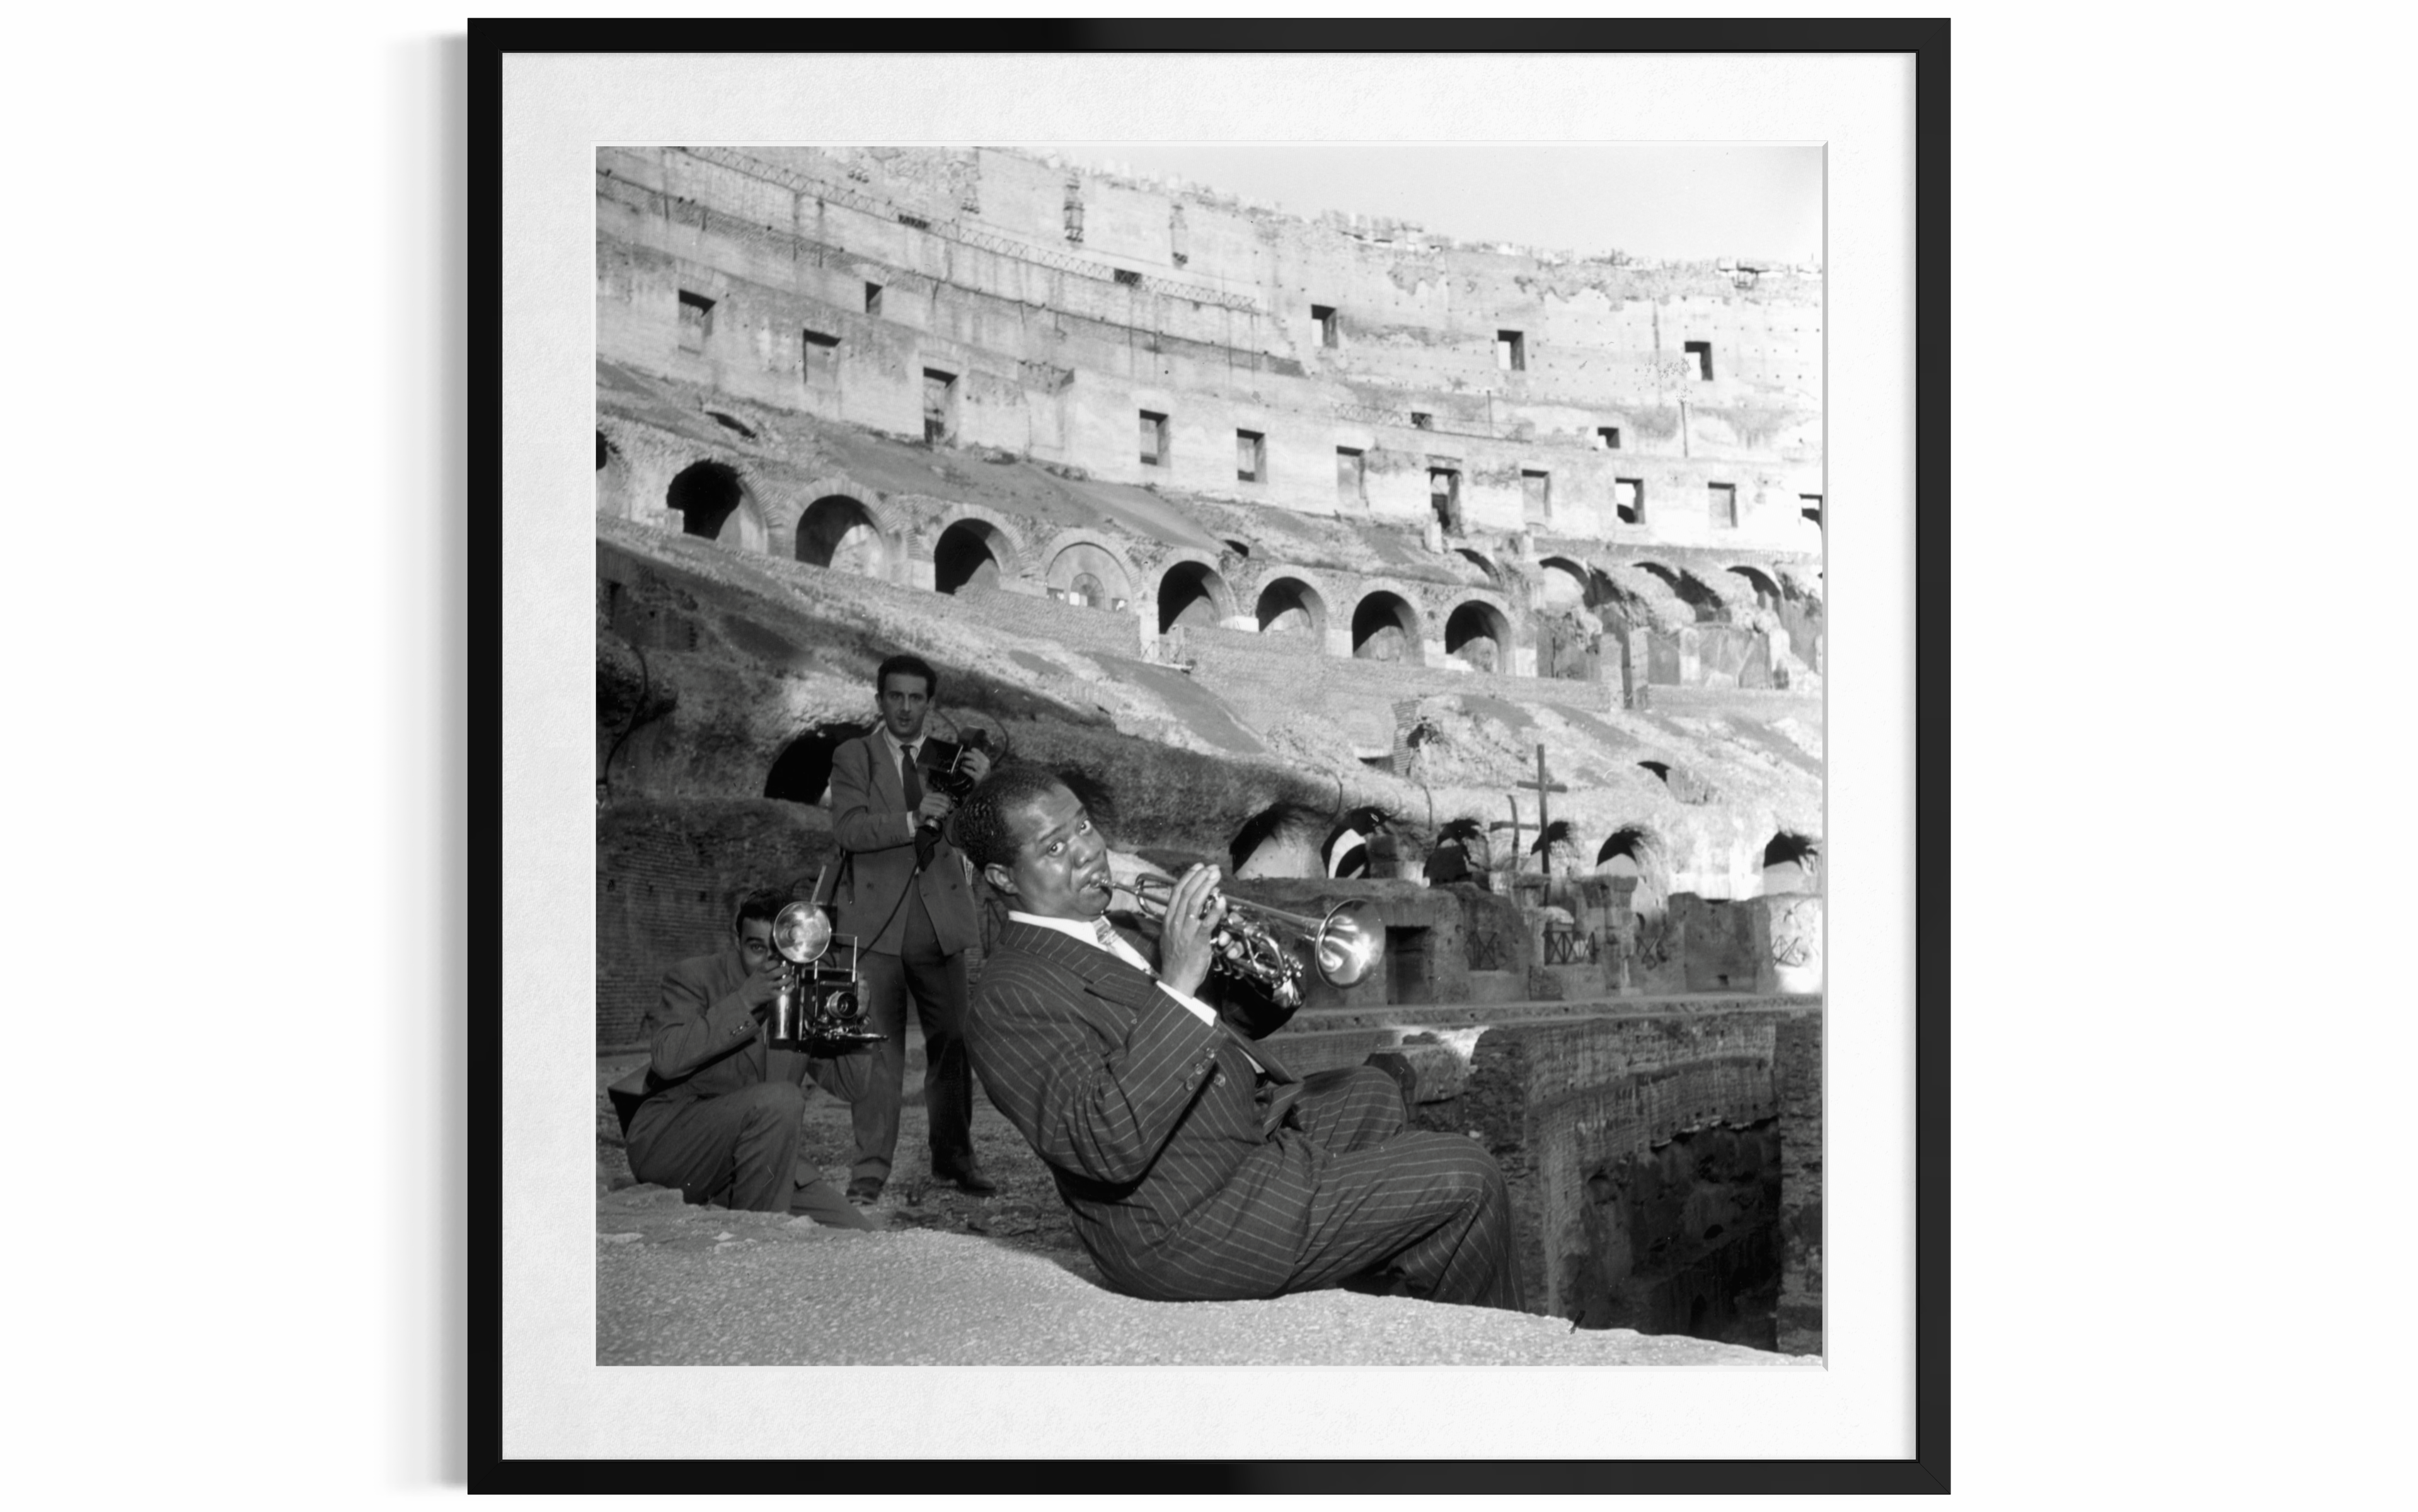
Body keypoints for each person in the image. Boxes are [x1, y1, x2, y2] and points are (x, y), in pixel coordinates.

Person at [955, 767, 1525, 1311]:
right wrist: (1178, 979)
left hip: (1229, 1134)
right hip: (1183, 1218)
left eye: (1082, 825)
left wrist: (1255, 972)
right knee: (1468, 1177)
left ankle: (1377, 1296)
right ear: (1004, 878)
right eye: (1053, 849)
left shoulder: (1111, 931)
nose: (1085, 851)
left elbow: (1216, 1034)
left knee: (1371, 1092)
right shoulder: (1009, 996)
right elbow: (1103, 1143)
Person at [605, 888, 880, 1229]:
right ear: (736, 941)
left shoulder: (802, 992)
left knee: (862, 1234)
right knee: (781, 1099)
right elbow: (667, 1058)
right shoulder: (694, 977)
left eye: (781, 950)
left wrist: (854, 1019)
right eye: (756, 948)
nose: (769, 961)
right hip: (675, 1148)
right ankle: (754, 1244)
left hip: (757, 1162)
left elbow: (851, 1087)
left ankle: (752, 1222)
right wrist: (744, 1002)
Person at [827, 653, 994, 1205]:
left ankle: (955, 1160)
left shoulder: (951, 760)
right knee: (877, 1053)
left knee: (951, 1045)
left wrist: (984, 790)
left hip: (941, 924)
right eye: (894, 697)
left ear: (929, 704)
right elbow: (849, 829)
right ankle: (869, 1172)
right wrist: (911, 819)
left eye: (915, 698)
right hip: (876, 929)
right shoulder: (855, 756)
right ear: (879, 701)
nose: (904, 707)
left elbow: (982, 838)